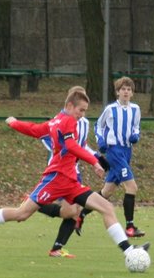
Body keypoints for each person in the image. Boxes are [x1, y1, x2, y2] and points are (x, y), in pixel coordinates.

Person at [0, 87, 149, 258]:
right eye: (81, 110)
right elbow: (71, 145)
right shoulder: (67, 121)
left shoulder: (56, 121)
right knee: (21, 214)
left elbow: (34, 129)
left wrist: (14, 123)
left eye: (84, 111)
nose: (82, 115)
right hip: (55, 179)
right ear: (70, 106)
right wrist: (94, 162)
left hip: (71, 182)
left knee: (105, 207)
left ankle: (129, 251)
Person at [36, 86, 110, 258]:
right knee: (71, 211)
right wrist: (61, 150)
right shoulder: (59, 120)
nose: (82, 112)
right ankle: (34, 205)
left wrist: (97, 157)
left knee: (74, 211)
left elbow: (81, 145)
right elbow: (49, 139)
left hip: (74, 170)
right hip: (59, 169)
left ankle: (57, 247)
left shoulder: (84, 123)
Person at [79, 76, 144, 238]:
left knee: (107, 192)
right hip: (114, 151)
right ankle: (130, 227)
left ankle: (80, 215)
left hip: (127, 151)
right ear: (117, 92)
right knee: (132, 187)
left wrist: (136, 135)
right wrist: (101, 140)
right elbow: (98, 126)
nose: (126, 92)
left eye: (129, 89)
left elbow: (136, 126)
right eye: (123, 89)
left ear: (132, 93)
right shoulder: (110, 109)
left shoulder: (135, 109)